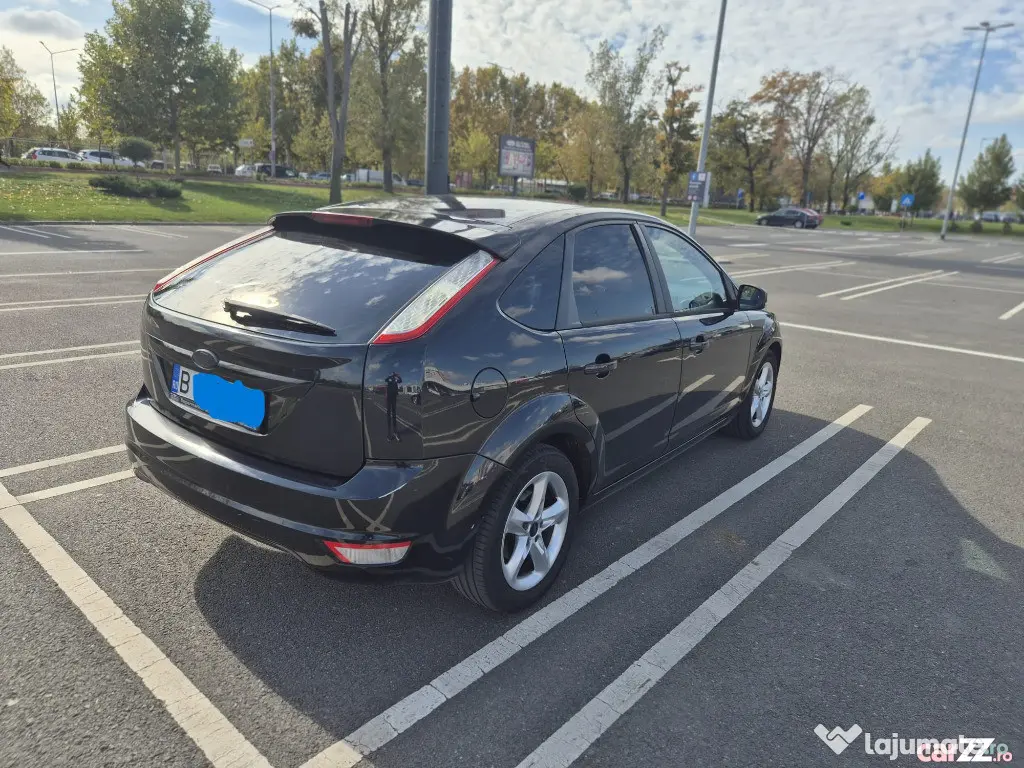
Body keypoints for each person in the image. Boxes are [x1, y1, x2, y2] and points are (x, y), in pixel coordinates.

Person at [385, 372, 402, 441]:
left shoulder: (395, 380)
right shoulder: (389, 379)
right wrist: (390, 375)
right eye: (393, 375)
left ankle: (395, 432)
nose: (393, 375)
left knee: (394, 415)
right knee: (389, 415)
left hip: (394, 398)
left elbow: (400, 381)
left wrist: (398, 376)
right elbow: (386, 380)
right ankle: (389, 434)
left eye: (393, 375)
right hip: (389, 398)